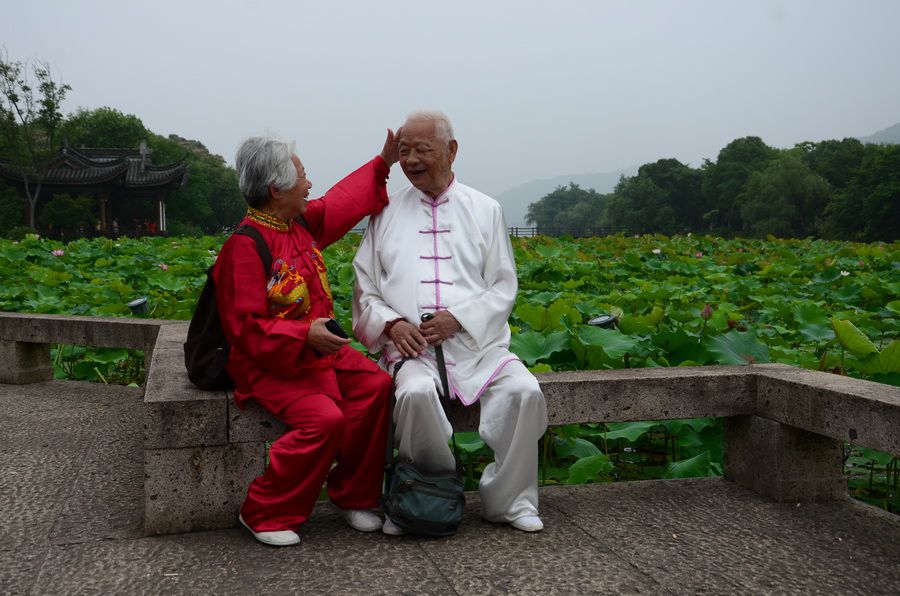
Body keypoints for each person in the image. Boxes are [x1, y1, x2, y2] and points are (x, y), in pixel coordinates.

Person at [352, 111, 548, 534]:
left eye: (423, 149)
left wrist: (459, 318)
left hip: (479, 348)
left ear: (451, 151)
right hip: (413, 350)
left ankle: (511, 500)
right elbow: (364, 285)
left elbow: (503, 287)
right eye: (404, 151)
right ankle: (424, 496)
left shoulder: (486, 209)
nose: (412, 160)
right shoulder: (384, 213)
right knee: (417, 394)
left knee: (524, 391)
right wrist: (390, 325)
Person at [215, 131, 399, 546]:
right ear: (276, 189)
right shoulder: (244, 247)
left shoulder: (298, 223)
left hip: (317, 352)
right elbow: (243, 329)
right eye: (302, 175)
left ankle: (353, 494)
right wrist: (304, 334)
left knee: (376, 385)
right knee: (325, 420)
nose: (310, 184)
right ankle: (263, 511)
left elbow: (342, 202)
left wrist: (383, 163)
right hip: (270, 363)